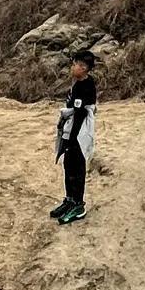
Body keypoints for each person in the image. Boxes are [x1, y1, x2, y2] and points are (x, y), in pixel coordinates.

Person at [52, 49, 96, 225]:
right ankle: (69, 199)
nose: (73, 67)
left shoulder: (86, 86)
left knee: (77, 168)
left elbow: (79, 115)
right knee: (68, 165)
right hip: (72, 130)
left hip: (79, 134)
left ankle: (78, 204)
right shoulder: (78, 83)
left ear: (84, 68)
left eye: (76, 65)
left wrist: (71, 140)